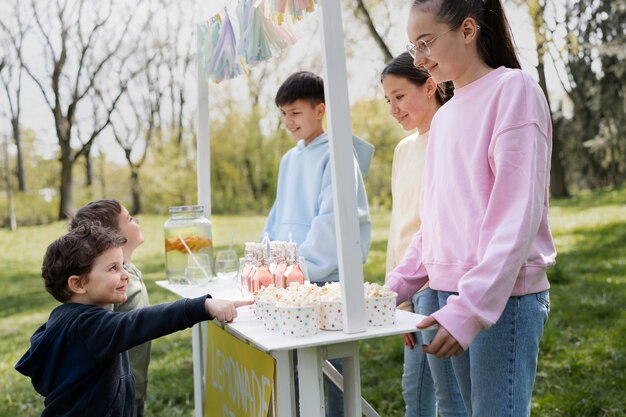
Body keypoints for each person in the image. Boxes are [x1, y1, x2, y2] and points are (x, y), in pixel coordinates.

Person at [387, 0, 556, 415]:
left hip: (503, 299)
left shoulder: (514, 91)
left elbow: (516, 216)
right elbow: (436, 220)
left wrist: (472, 308)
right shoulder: (444, 117)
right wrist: (395, 287)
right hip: (447, 296)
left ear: (467, 30)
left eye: (425, 42)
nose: (420, 58)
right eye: (413, 47)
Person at [14, 223, 250, 417]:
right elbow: (142, 322)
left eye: (123, 265)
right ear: (78, 283)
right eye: (113, 268)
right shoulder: (88, 327)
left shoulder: (63, 319)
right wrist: (202, 306)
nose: (125, 275)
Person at [262, 70, 373, 417]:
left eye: (295, 112)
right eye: (283, 114)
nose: (288, 121)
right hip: (290, 284)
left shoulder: (339, 154)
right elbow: (278, 217)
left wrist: (301, 270)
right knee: (295, 368)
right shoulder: (288, 159)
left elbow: (334, 221)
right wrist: (266, 264)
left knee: (335, 372)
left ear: (320, 109)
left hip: (327, 282)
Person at [381, 52, 465, 417]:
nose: (393, 109)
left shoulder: (452, 136)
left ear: (429, 86)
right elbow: (398, 226)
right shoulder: (402, 150)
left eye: (399, 97)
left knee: (450, 396)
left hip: (438, 285)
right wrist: (397, 300)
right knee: (413, 390)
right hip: (407, 286)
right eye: (388, 100)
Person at [69, 199, 150, 417]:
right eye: (130, 219)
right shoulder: (109, 284)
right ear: (112, 235)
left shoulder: (126, 273)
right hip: (114, 396)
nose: (138, 220)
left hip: (133, 385)